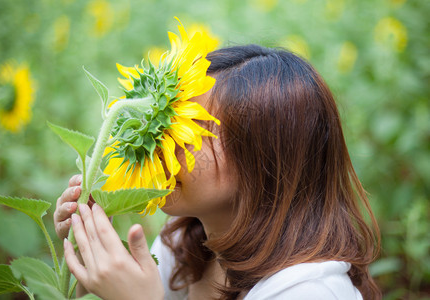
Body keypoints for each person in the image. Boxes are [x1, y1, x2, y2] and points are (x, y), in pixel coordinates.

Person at [54, 45, 381, 299]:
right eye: (170, 122)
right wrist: (90, 259)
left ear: (263, 158)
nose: (165, 142)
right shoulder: (187, 242)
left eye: (191, 129)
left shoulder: (307, 290)